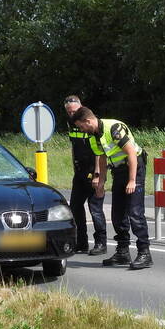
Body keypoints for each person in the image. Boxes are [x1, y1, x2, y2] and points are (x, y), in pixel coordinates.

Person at [71, 107, 152, 270]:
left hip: (134, 167)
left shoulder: (113, 128)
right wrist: (101, 183)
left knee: (135, 213)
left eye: (81, 126)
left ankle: (144, 253)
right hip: (118, 171)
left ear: (88, 121)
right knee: (117, 214)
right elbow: (101, 158)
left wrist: (132, 180)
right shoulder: (93, 136)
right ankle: (123, 252)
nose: (81, 130)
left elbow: (131, 153)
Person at [64, 95, 107, 255]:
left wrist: (97, 174)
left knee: (95, 208)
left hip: (94, 170)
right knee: (75, 206)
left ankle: (100, 243)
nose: (71, 114)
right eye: (68, 112)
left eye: (74, 111)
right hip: (79, 172)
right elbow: (74, 147)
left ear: (81, 107)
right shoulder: (71, 123)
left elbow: (99, 152)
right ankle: (81, 242)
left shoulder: (89, 122)